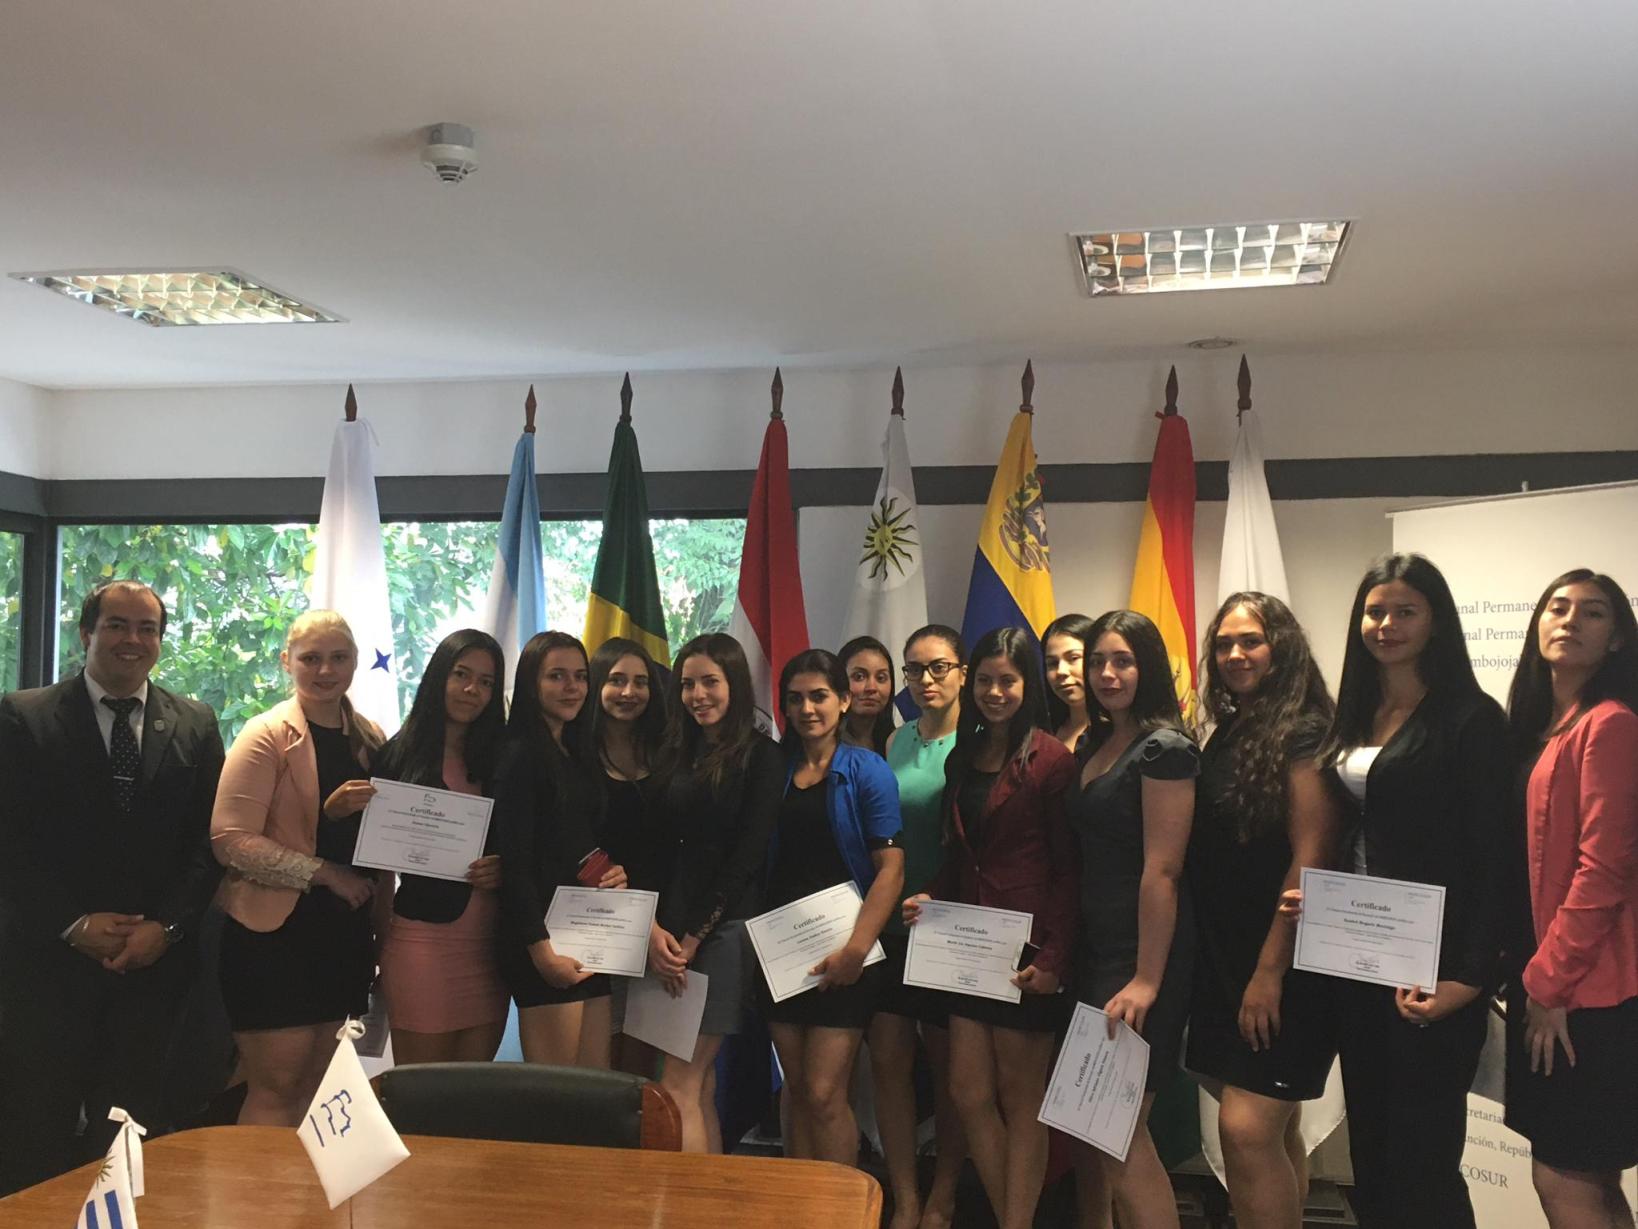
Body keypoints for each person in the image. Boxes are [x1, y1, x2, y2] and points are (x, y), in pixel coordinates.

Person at [1303, 553, 1508, 1229]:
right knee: (1373, 1155)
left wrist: (1468, 980)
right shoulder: (1356, 713)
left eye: (1405, 611)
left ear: (1436, 621)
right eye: (1374, 611)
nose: (1386, 624)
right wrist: (1321, 901)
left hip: (1434, 971)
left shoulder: (1471, 719)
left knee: (1425, 1165)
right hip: (1358, 960)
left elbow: (1494, 861)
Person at [0, 580, 226, 1193]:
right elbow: (10, 843)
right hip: (48, 968)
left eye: (147, 628)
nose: (133, 639)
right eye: (118, 625)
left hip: (153, 971)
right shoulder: (22, 716)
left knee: (129, 1140)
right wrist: (72, 924)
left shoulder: (196, 722)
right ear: (87, 633)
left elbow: (208, 844)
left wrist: (166, 928)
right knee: (32, 1135)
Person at [904, 626, 1078, 1229]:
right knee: (968, 1093)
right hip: (969, 947)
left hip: (1027, 948)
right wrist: (933, 896)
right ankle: (1014, 1218)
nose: (995, 692)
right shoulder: (963, 754)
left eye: (1008, 680)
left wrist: (1054, 956)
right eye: (984, 680)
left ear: (1028, 685)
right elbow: (963, 854)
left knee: (1021, 1101)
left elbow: (1068, 868)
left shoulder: (1051, 760)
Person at [1187, 593, 1342, 1229]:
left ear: (1281, 646)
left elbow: (1312, 855)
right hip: (1226, 955)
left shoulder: (1304, 732)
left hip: (1283, 962)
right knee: (1275, 1131)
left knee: (1247, 1131)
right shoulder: (1230, 729)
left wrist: (1270, 971)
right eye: (1224, 643)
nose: (1234, 654)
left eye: (1250, 640)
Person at [209, 609, 385, 1126]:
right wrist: (325, 873)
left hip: (345, 936)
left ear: (355, 662)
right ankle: (257, 1185)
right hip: (274, 938)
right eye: (311, 658)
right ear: (287, 661)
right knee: (276, 1087)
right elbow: (229, 841)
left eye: (338, 658)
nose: (325, 670)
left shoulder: (371, 738)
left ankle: (300, 1184)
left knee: (320, 1086)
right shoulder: (264, 734)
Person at [1503, 569, 1638, 1228]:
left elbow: (1602, 870)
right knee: (1593, 1178)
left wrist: (1549, 985)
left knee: (1563, 1176)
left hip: (1582, 992)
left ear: (1616, 640)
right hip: (1557, 981)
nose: (1570, 620)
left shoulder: (1610, 725)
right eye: (1558, 607)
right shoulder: (1546, 726)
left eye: (1593, 612)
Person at [1067, 609, 1198, 1229]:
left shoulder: (1164, 749)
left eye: (1122, 661)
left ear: (1148, 667)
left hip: (1142, 957)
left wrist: (1147, 979)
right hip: (1098, 950)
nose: (1107, 674)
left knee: (1117, 1132)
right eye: (1097, 661)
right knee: (1103, 1130)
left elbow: (1163, 870)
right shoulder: (1094, 743)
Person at [763, 649, 904, 1164]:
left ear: (843, 700)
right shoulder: (771, 769)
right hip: (780, 953)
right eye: (795, 698)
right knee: (798, 1090)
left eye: (819, 696)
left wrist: (856, 951)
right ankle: (799, 1202)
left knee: (825, 1093)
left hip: (847, 951)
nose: (807, 709)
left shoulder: (868, 770)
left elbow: (891, 869)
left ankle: (840, 1203)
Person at [650, 633, 785, 1153]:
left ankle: (684, 1198)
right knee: (696, 1083)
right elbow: (663, 851)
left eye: (710, 682)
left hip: (724, 931)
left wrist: (690, 938)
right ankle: (706, 1193)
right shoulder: (676, 753)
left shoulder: (762, 757)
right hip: (669, 935)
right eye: (688, 684)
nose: (697, 695)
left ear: (735, 685)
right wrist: (658, 931)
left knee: (677, 1084)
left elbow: (745, 860)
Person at [870, 624, 969, 1229]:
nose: (925, 679)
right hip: (890, 924)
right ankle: (905, 1196)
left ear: (962, 672)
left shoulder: (978, 741)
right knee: (888, 1064)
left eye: (939, 667)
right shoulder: (894, 739)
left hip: (949, 927)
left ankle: (945, 1194)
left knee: (953, 1072)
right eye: (914, 669)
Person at [373, 629, 509, 1064]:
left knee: (472, 1094)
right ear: (438, 677)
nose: (472, 690)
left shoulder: (504, 758)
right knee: (420, 1091)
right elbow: (377, 866)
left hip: (490, 951)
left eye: (486, 682)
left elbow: (525, 843)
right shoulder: (397, 755)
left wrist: (504, 868)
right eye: (461, 675)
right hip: (421, 946)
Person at [494, 631, 627, 1069]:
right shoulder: (518, 755)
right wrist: (541, 951)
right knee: (555, 1091)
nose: (572, 687)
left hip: (588, 933)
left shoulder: (575, 751)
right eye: (556, 676)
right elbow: (515, 864)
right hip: (543, 941)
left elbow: (577, 841)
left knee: (594, 1083)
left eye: (580, 676)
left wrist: (613, 872)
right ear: (531, 683)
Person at [585, 637, 677, 1076]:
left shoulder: (668, 752)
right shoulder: (576, 754)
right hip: (597, 927)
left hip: (661, 932)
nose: (629, 692)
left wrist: (658, 927)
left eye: (640, 682)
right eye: (617, 680)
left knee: (640, 1075)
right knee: (597, 1069)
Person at [1043, 613, 1095, 754]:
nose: (1061, 671)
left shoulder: (1118, 733)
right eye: (1052, 663)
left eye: (1073, 658)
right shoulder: (1042, 730)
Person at [839, 634, 897, 753]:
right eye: (859, 677)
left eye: (881, 678)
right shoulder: (827, 747)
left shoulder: (898, 742)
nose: (871, 688)